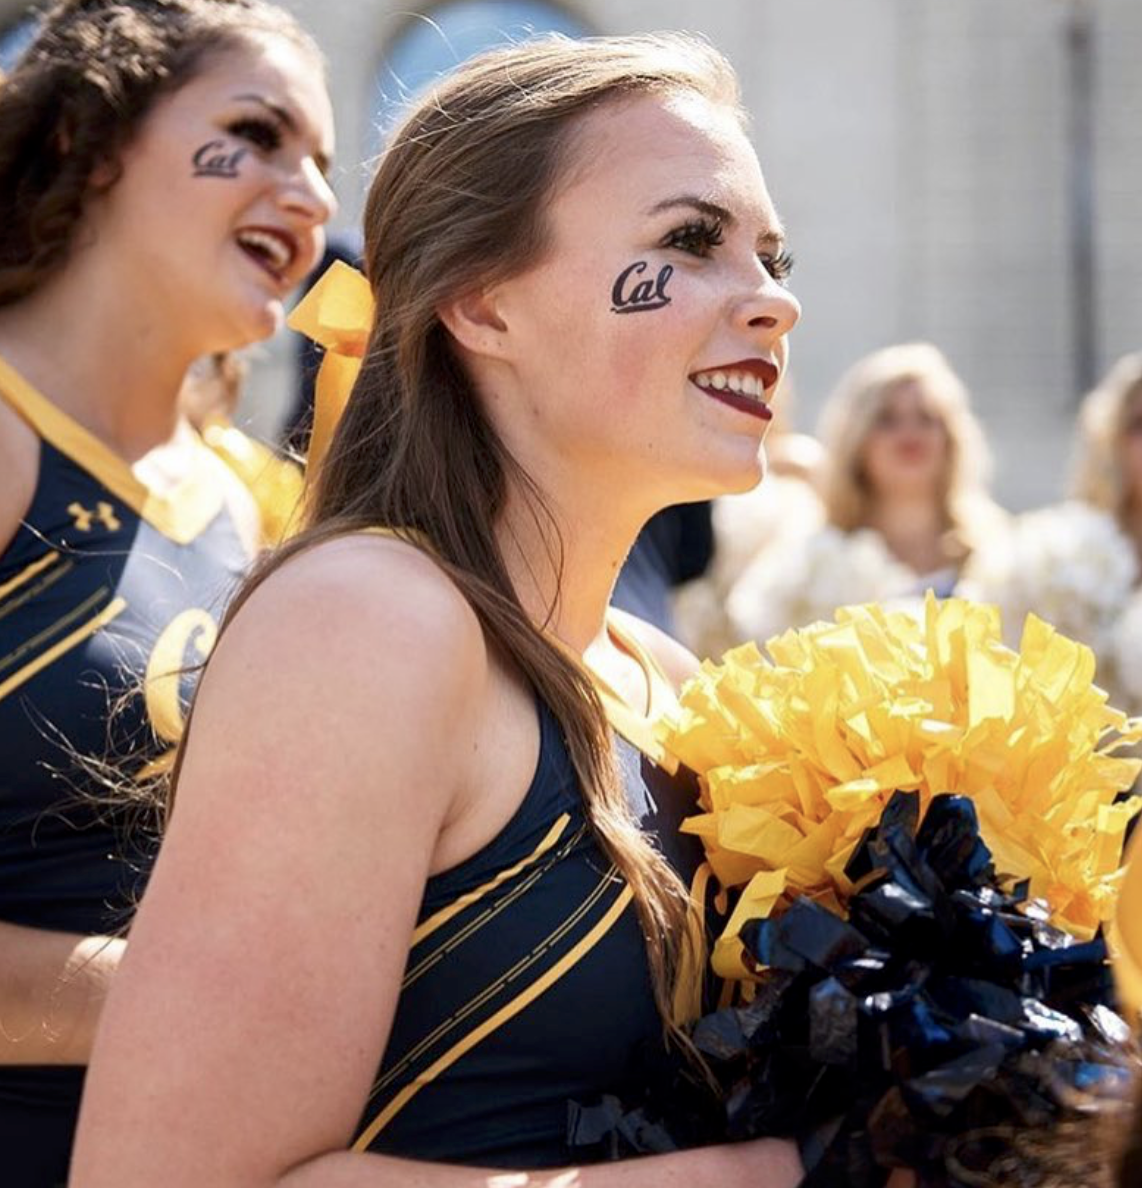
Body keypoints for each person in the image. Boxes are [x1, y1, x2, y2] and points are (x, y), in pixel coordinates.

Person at [70, 31, 806, 1187]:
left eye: (774, 257)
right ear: (481, 305)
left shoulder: (667, 677)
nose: (770, 304)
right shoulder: (367, 622)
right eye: (688, 242)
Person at [0, 1, 335, 1183]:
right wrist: (238, 1009)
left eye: (322, 165)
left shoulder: (261, 509)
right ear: (83, 145)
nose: (310, 198)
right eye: (255, 133)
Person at [727, 341, 1007, 645]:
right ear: (857, 439)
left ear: (951, 439)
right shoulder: (811, 562)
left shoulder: (997, 552)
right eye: (887, 419)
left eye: (926, 418)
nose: (909, 433)